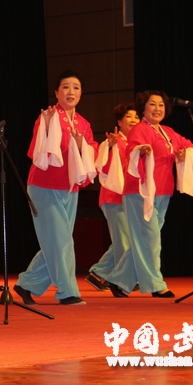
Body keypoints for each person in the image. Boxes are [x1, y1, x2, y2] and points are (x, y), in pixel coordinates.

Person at [104, 91, 193, 298]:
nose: (158, 108)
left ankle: (119, 280)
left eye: (161, 105)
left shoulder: (167, 132)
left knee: (145, 239)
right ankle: (156, 284)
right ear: (143, 108)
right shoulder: (140, 129)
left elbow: (187, 144)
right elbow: (132, 150)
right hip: (141, 192)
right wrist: (142, 151)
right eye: (153, 104)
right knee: (150, 240)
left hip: (163, 192)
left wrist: (185, 153)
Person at [13, 70, 98, 306]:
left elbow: (92, 149)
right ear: (57, 93)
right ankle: (67, 291)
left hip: (70, 187)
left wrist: (82, 145)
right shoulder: (48, 116)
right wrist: (49, 126)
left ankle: (27, 283)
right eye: (66, 87)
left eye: (76, 87)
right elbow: (38, 150)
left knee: (58, 240)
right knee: (61, 241)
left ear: (81, 93)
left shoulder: (83, 123)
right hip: (44, 186)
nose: (71, 91)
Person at [85, 103, 139, 292]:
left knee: (123, 240)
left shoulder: (135, 144)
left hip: (128, 198)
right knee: (124, 241)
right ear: (119, 122)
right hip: (113, 198)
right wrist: (109, 146)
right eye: (129, 117)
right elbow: (103, 168)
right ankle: (123, 279)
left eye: (136, 117)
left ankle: (98, 273)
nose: (134, 120)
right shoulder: (115, 142)